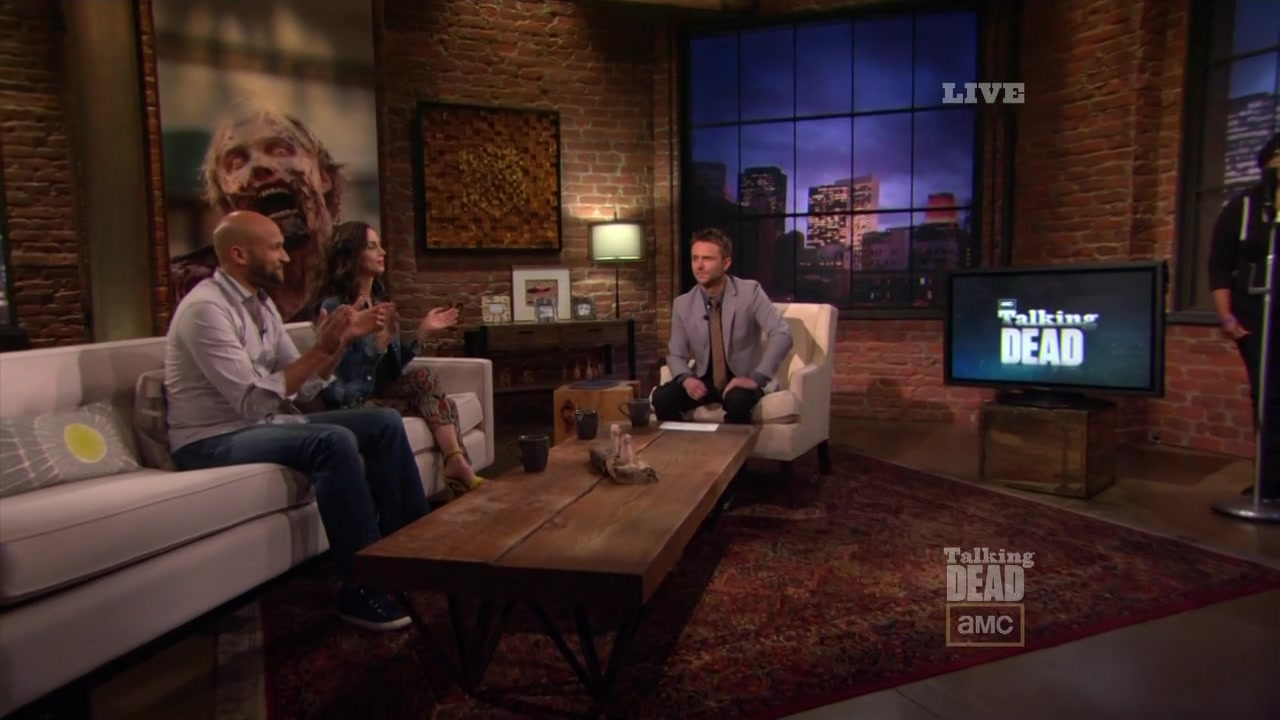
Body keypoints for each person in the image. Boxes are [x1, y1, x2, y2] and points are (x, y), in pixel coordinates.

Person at [164, 211, 430, 632]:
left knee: (383, 422)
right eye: (275, 247)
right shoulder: (206, 310)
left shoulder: (262, 306)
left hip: (261, 424)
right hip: (210, 439)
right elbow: (252, 401)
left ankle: (412, 554)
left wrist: (340, 342)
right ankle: (360, 588)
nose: (286, 257)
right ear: (239, 254)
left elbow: (305, 387)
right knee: (333, 440)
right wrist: (321, 349)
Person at [309, 221, 486, 500]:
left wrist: (422, 332)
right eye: (372, 246)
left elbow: (391, 370)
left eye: (380, 245)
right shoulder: (336, 307)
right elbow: (340, 382)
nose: (383, 252)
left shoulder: (380, 299)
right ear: (351, 254)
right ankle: (457, 465)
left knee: (425, 379)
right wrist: (376, 348)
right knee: (444, 405)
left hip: (380, 393)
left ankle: (456, 462)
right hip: (352, 402)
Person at [653, 227, 793, 424]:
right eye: (695, 258)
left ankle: (735, 446)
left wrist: (756, 378)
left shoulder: (750, 292)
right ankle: (685, 443)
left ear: (726, 263)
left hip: (742, 380)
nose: (699, 266)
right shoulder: (683, 303)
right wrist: (687, 378)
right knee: (662, 397)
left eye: (707, 259)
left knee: (737, 401)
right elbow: (676, 354)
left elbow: (782, 334)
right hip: (705, 381)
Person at [1207, 131, 1280, 500]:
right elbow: (1219, 265)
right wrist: (1227, 316)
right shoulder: (1245, 207)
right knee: (1268, 393)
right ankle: (1270, 480)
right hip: (1255, 311)